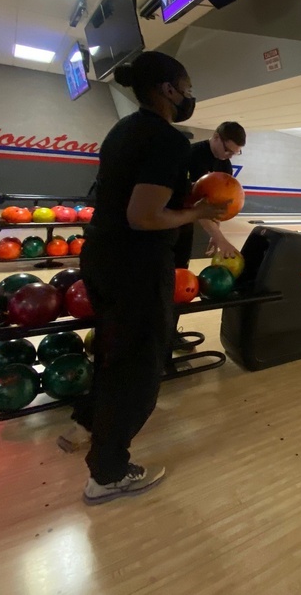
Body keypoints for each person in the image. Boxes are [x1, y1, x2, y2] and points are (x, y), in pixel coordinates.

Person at [60, 51, 228, 506]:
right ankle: (108, 473)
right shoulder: (166, 140)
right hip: (134, 264)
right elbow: (144, 216)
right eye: (187, 86)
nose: (191, 95)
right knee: (140, 368)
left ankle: (85, 424)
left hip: (102, 256)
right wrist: (197, 211)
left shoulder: (123, 129)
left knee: (115, 347)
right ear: (168, 89)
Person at [171, 122, 247, 347]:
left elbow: (216, 206)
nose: (229, 156)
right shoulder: (191, 156)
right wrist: (220, 238)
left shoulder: (225, 165)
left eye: (235, 153)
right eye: (227, 149)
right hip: (167, 224)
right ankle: (156, 337)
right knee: (164, 282)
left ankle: (170, 334)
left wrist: (217, 233)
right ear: (215, 137)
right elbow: (197, 205)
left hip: (184, 227)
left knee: (179, 279)